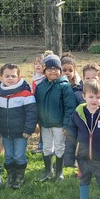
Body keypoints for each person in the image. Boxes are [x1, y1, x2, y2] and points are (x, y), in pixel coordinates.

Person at [0, 63, 38, 189]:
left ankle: (19, 177)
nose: (10, 78)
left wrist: (28, 130)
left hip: (21, 133)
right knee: (8, 155)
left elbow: (32, 114)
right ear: (1, 77)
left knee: (19, 155)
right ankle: (11, 176)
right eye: (7, 76)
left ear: (19, 77)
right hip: (6, 133)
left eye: (13, 76)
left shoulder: (26, 95)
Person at [34, 54, 77, 182]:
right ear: (44, 71)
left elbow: (70, 107)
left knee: (59, 146)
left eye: (56, 68)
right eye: (49, 68)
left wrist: (66, 125)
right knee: (46, 147)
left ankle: (59, 172)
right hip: (45, 124)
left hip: (59, 124)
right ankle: (48, 170)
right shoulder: (40, 87)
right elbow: (37, 105)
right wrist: (37, 122)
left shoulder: (64, 86)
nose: (53, 71)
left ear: (60, 70)